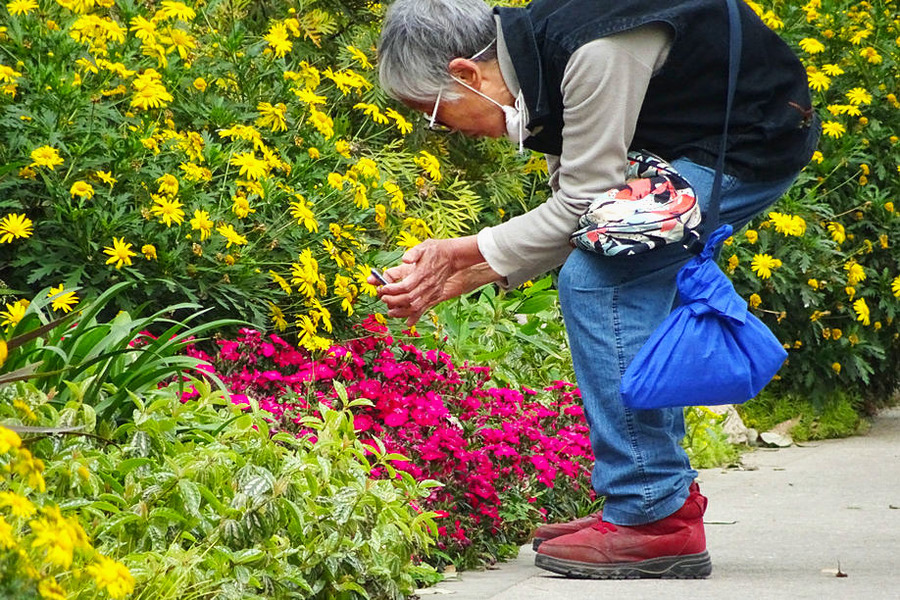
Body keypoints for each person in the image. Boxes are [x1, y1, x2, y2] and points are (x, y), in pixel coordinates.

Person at [373, 0, 819, 579]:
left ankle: (653, 517)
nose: (441, 130)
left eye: (431, 113)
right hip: (690, 137)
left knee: (600, 280)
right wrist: (464, 271)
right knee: (603, 262)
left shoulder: (593, 52)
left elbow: (583, 207)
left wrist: (464, 254)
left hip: (751, 142)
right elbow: (584, 210)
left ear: (465, 74)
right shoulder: (540, 53)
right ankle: (659, 500)